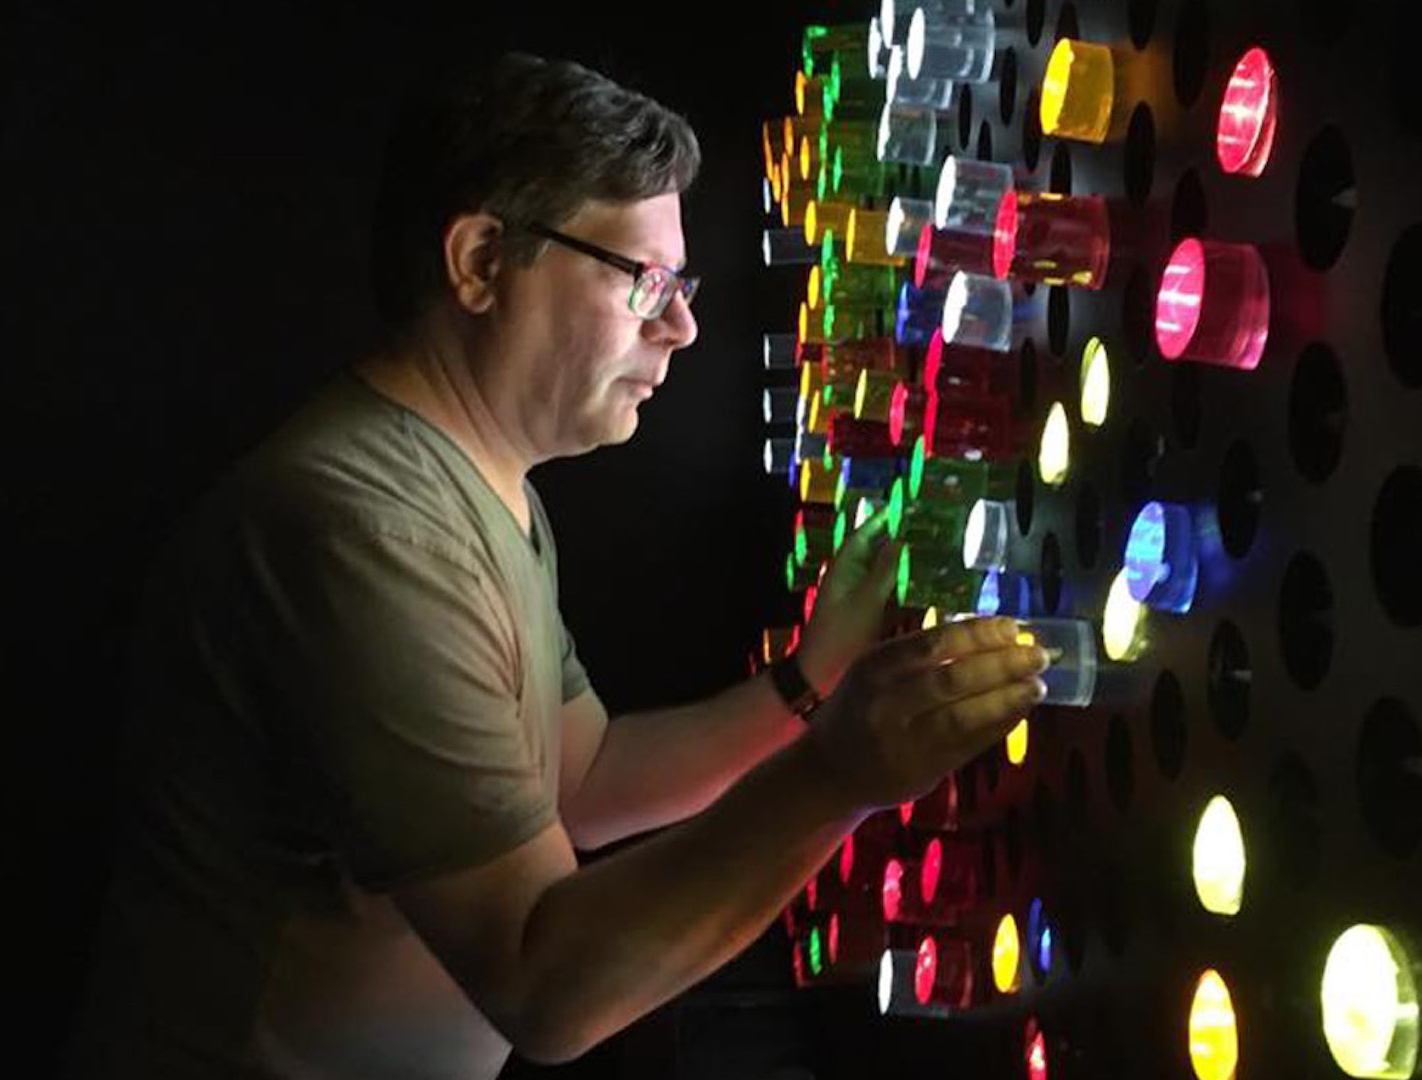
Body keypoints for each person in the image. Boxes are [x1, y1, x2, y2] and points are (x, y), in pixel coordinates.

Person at [60, 52, 1048, 1079]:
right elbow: (545, 986)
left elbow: (578, 778)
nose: (683, 325)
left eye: (682, 282)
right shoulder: (363, 531)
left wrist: (808, 681)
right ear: (483, 262)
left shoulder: (487, 490)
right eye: (646, 282)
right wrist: (840, 776)